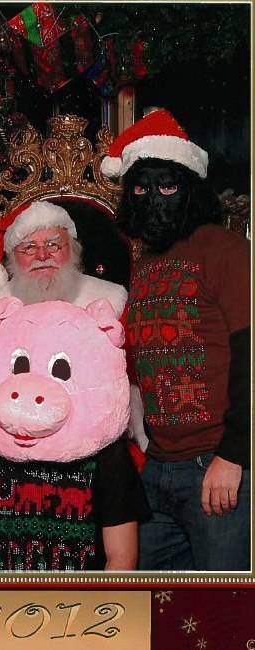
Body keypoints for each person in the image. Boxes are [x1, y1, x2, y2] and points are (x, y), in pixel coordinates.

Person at [0, 200, 150, 571]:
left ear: (73, 250)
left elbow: (129, 376)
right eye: (29, 247)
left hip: (90, 449)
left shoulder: (108, 303)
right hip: (6, 441)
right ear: (13, 259)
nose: (42, 255)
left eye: (54, 244)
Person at [101, 108, 250, 570]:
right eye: (141, 189)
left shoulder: (225, 250)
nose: (154, 200)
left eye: (167, 187)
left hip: (218, 466)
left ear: (191, 190)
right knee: (146, 608)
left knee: (221, 619)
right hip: (159, 467)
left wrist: (234, 454)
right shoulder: (143, 264)